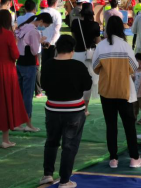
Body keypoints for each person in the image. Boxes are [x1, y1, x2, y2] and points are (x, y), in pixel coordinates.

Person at [39, 35, 92, 187]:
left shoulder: (48, 64)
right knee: (70, 145)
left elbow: (43, 85)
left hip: (53, 108)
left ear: (57, 48)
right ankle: (64, 180)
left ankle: (47, 174)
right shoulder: (78, 66)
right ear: (72, 50)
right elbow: (87, 85)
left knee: (51, 142)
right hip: (74, 110)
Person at [93, 16, 141, 169]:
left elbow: (96, 68)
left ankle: (113, 158)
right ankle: (134, 158)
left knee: (111, 126)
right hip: (124, 91)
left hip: (106, 91)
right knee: (129, 126)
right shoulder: (125, 46)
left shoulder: (101, 46)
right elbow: (134, 67)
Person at [14, 13, 53, 130]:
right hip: (29, 64)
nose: (44, 27)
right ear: (41, 21)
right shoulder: (34, 32)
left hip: (19, 63)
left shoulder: (23, 26)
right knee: (27, 95)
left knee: (20, 95)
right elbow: (35, 50)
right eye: (45, 25)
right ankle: (28, 124)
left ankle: (17, 123)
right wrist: (39, 41)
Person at [0, 10, 29, 148]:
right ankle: (5, 140)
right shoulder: (8, 35)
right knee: (6, 103)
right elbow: (15, 55)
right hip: (6, 72)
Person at [70, 3, 101, 115]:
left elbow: (74, 37)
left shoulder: (75, 23)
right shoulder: (95, 25)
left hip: (77, 54)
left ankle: (76, 104)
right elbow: (98, 41)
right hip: (90, 55)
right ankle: (85, 108)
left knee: (77, 80)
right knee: (89, 82)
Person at [41, 0, 62, 68]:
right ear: (55, 3)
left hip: (43, 41)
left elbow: (39, 28)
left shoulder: (42, 12)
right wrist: (51, 41)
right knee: (53, 64)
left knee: (44, 63)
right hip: (53, 43)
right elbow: (57, 30)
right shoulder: (57, 13)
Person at [133, 52, 141, 125]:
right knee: (134, 105)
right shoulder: (134, 70)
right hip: (134, 91)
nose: (136, 63)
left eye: (138, 61)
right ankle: (134, 117)